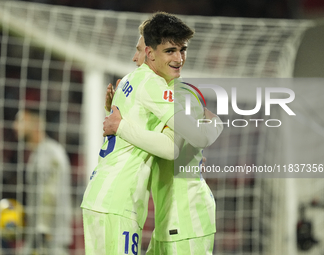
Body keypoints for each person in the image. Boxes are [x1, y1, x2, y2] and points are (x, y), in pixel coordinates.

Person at [81, 12, 220, 255]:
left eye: (182, 50)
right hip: (122, 201)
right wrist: (215, 124)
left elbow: (180, 145)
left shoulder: (137, 83)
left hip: (171, 215)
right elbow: (173, 147)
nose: (179, 58)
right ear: (150, 52)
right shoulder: (155, 85)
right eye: (170, 51)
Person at [13, 108, 72, 255]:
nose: (15, 126)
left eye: (20, 120)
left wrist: (42, 230)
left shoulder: (50, 153)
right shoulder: (38, 154)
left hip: (49, 240)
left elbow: (50, 194)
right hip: (40, 240)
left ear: (36, 123)